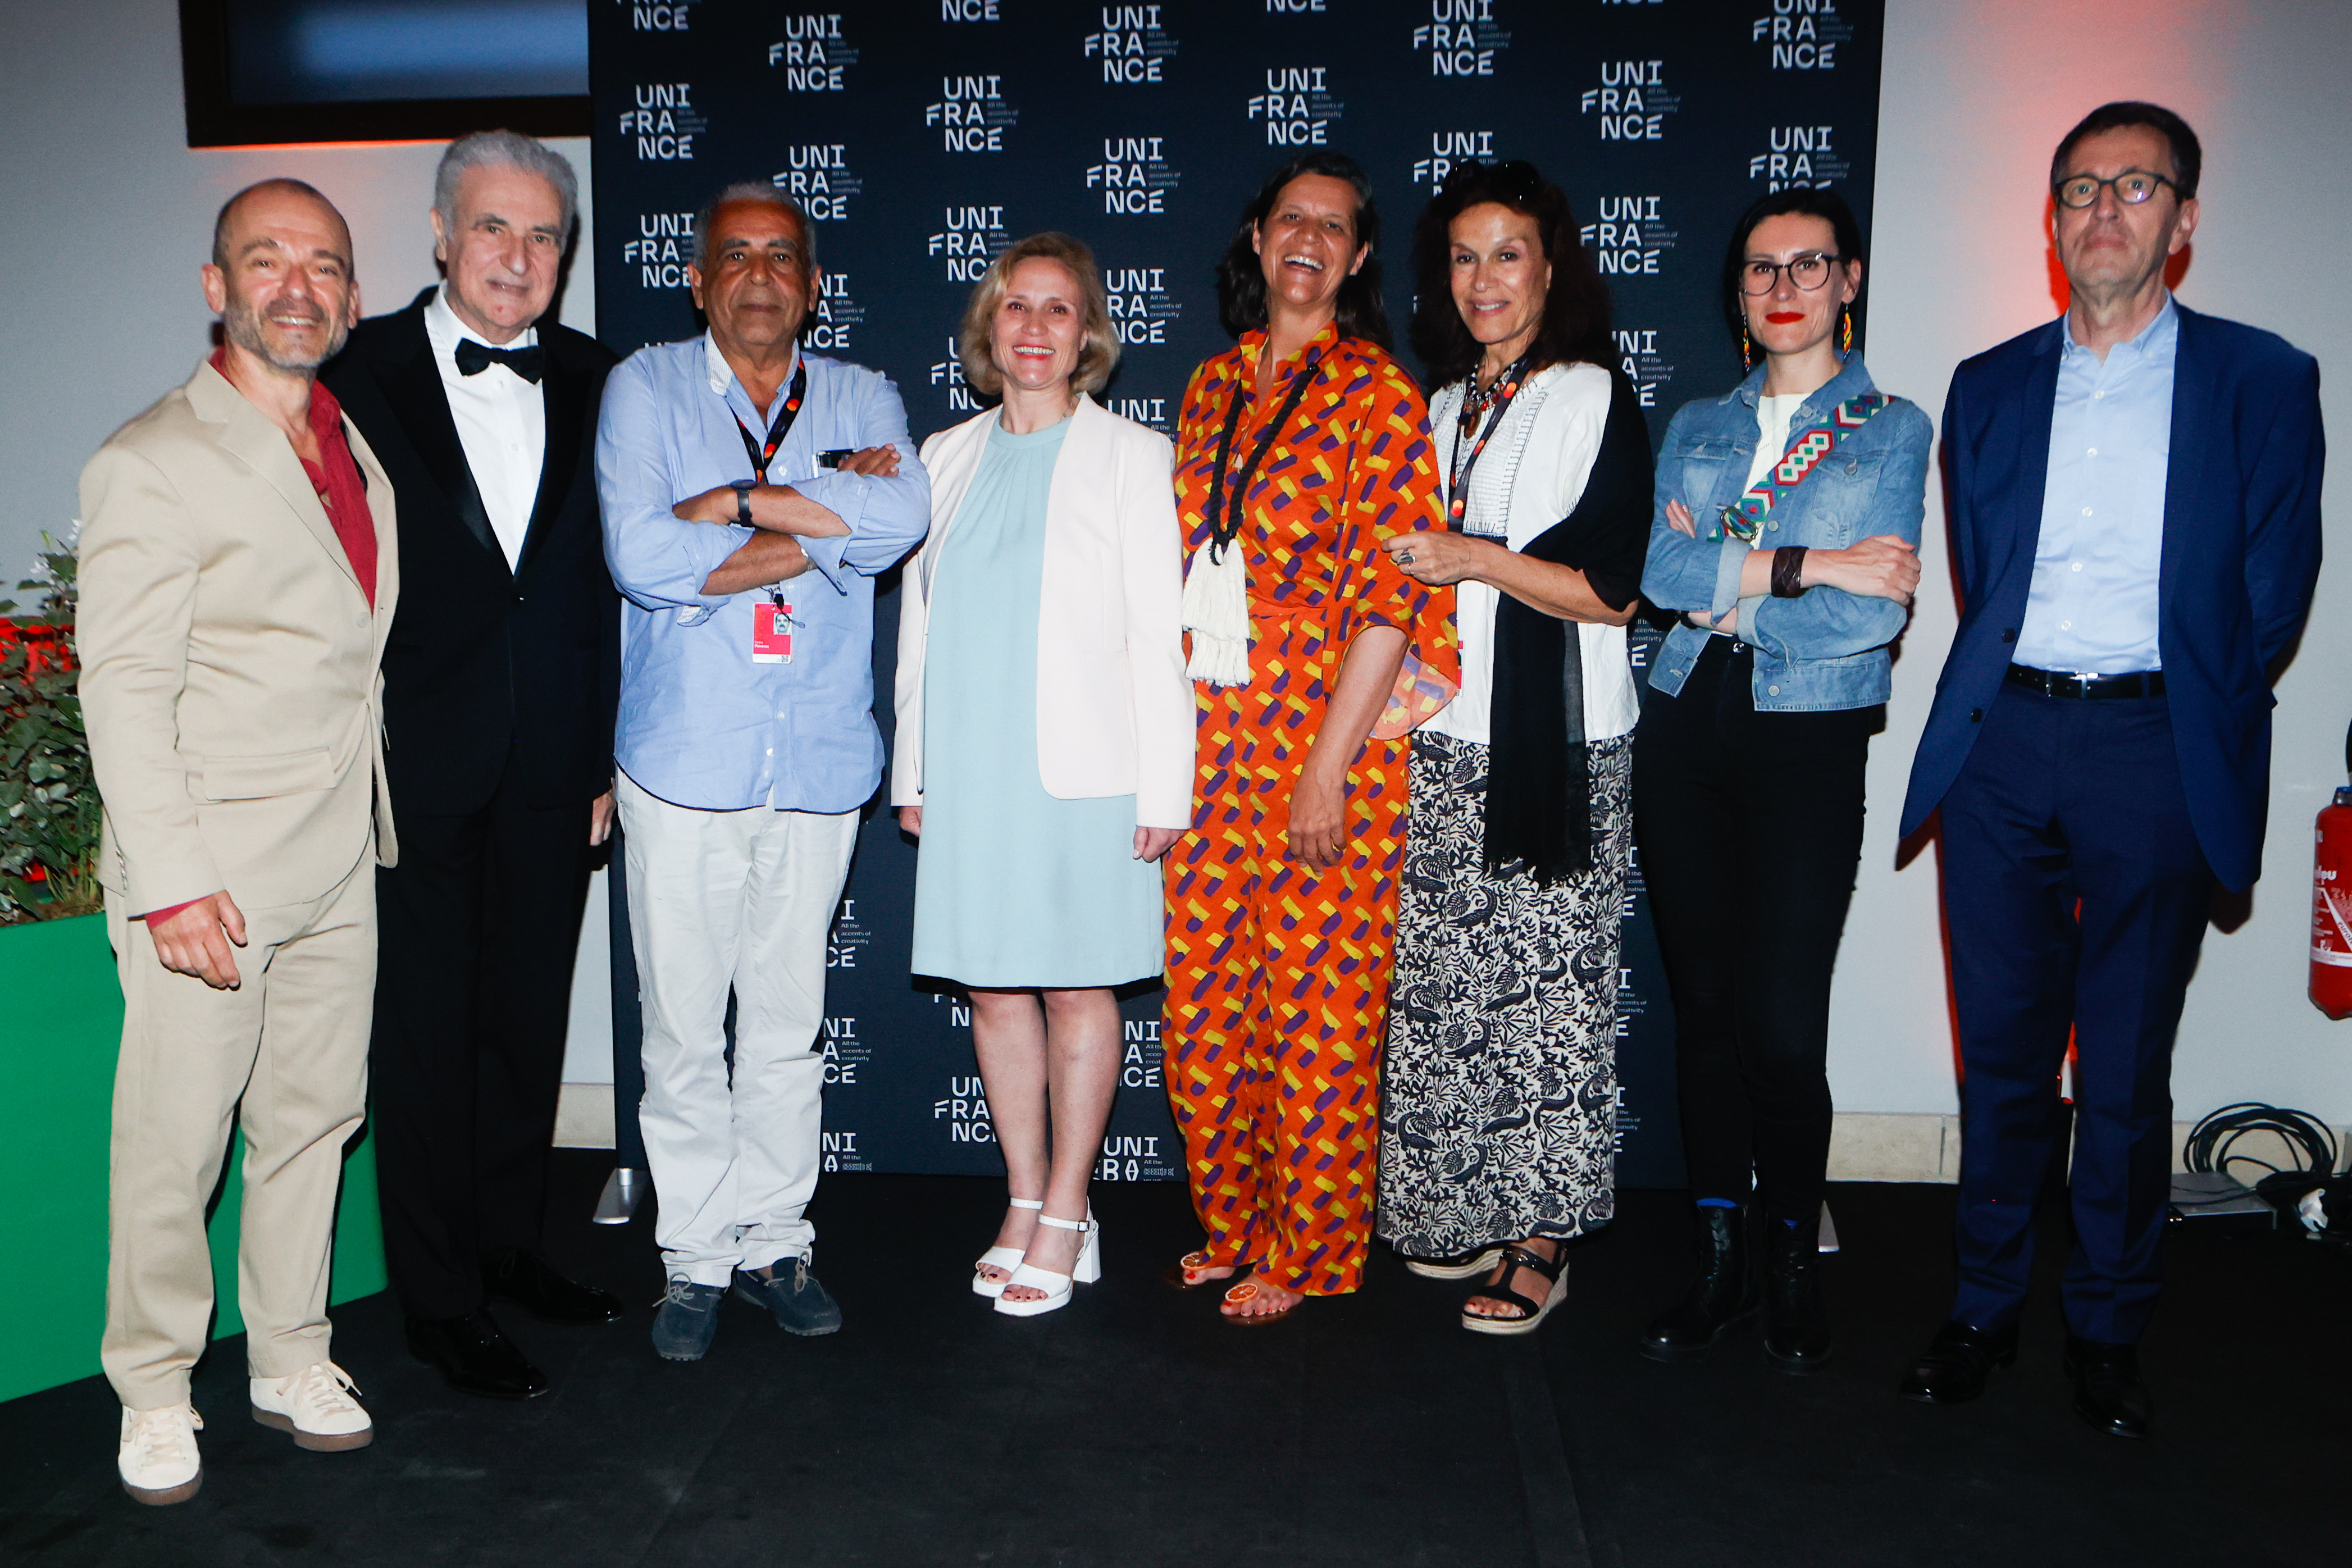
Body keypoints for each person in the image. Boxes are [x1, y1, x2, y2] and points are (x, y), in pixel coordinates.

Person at [1897, 103, 2322, 1437]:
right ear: (2053, 217)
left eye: (2136, 186)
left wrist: (2183, 711)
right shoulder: (1992, 381)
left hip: (2155, 748)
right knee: (2004, 1059)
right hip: (2005, 745)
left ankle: (2107, 1328)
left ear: (2184, 220)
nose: (2103, 211)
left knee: (2127, 1066)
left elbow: (2272, 590)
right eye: (2079, 187)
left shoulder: (2262, 378)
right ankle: (1981, 1307)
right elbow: (1986, 566)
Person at [79, 179, 396, 1503]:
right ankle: (154, 1385)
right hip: (209, 876)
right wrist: (171, 884)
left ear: (352, 296)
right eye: (265, 260)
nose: (297, 284)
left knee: (314, 1122)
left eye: (322, 264)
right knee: (176, 1139)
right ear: (217, 287)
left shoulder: (352, 446)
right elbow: (121, 685)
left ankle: (287, 1352)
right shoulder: (149, 458)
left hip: (336, 858)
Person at [596, 183, 928, 1362]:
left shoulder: (860, 392)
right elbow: (639, 554)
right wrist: (821, 516)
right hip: (684, 763)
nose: (757, 274)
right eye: (733, 255)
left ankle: (774, 1240)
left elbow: (902, 519)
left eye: (780, 256)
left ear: (811, 282)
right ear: (698, 279)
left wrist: (731, 502)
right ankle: (692, 1257)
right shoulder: (643, 387)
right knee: (685, 1029)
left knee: (786, 1025)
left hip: (818, 763)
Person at [322, 130, 623, 1402]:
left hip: (556, 760)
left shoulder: (606, 379)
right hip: (411, 760)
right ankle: (439, 1300)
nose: (519, 256)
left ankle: (511, 1250)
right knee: (426, 1038)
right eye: (494, 229)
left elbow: (609, 586)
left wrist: (601, 747)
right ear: (442, 237)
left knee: (524, 1026)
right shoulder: (355, 369)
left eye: (544, 234)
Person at [1634, 187, 1932, 1372]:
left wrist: (1736, 578)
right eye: (1762, 269)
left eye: (1809, 265)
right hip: (1684, 724)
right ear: (1741, 290)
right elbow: (1658, 571)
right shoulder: (1699, 420)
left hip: (1806, 737)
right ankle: (1719, 1263)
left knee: (1780, 1023)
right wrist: (1808, 560)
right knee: (1702, 1013)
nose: (1785, 287)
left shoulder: (1894, 427)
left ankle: (1792, 1262)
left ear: (1849, 281)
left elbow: (1875, 615)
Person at [1161, 152, 1457, 1325]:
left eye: (1334, 227)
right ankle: (1235, 1223)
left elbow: (1393, 601)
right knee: (1208, 1008)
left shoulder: (1377, 394)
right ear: (1256, 236)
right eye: (1291, 218)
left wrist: (1326, 765)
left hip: (1323, 730)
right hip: (1210, 729)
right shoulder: (1209, 385)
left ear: (1359, 258)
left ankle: (1316, 1247)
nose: (1309, 240)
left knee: (1319, 1011)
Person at [891, 234, 1192, 1316]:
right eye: (1016, 306)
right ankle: (1023, 1198)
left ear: (1087, 337)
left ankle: (1071, 1210)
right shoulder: (943, 455)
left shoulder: (1133, 455)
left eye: (1058, 310)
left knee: (1075, 986)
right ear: (990, 326)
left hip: (1088, 768)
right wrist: (913, 765)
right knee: (992, 988)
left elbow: (1161, 635)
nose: (1034, 326)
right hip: (973, 767)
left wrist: (1167, 789)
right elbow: (918, 631)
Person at [1376, 161, 1652, 1335]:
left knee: (1549, 998)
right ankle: (1464, 1210)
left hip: (1559, 747)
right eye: (1463, 255)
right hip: (1442, 740)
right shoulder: (1442, 404)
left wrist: (1474, 555)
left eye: (1508, 253)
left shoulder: (1587, 392)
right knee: (1449, 993)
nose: (1484, 278)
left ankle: (1543, 1237)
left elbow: (1611, 590)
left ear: (1552, 266)